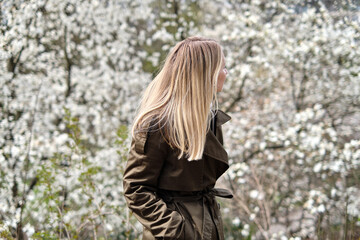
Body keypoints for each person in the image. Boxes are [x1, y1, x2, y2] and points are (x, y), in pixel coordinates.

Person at [123, 36, 233, 240]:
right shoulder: (157, 124)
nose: (226, 73)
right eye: (222, 67)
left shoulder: (209, 120)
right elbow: (136, 188)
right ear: (205, 73)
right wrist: (175, 230)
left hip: (208, 227)